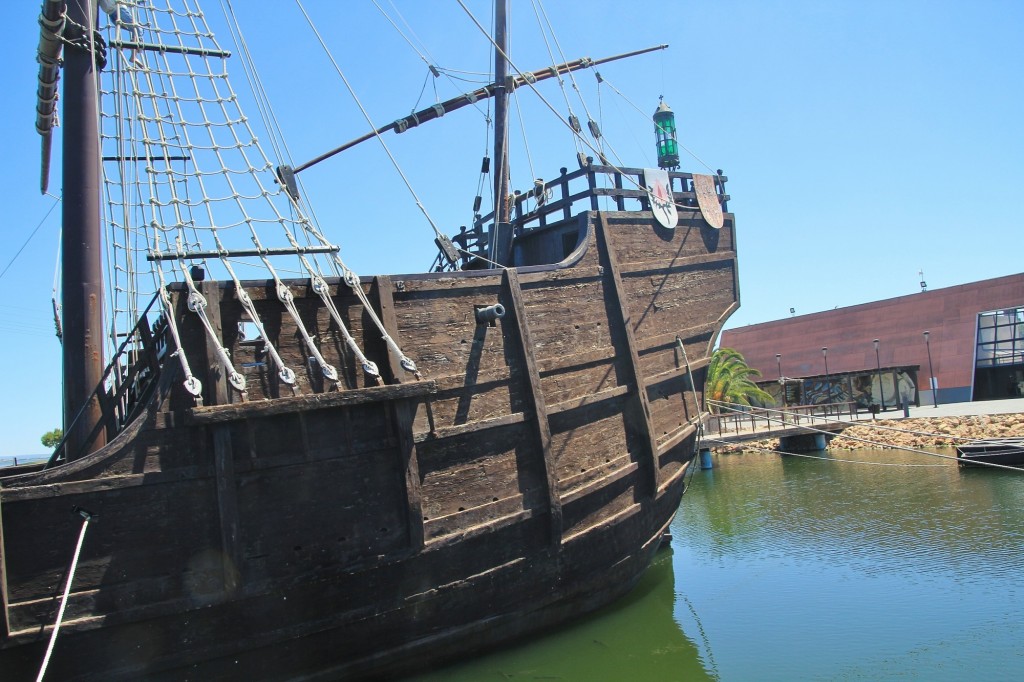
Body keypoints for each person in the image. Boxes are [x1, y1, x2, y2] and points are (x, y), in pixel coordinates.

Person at [98, 0, 143, 66]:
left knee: (136, 31)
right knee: (137, 30)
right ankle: (133, 54)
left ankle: (132, 48)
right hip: (119, 10)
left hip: (112, 14)